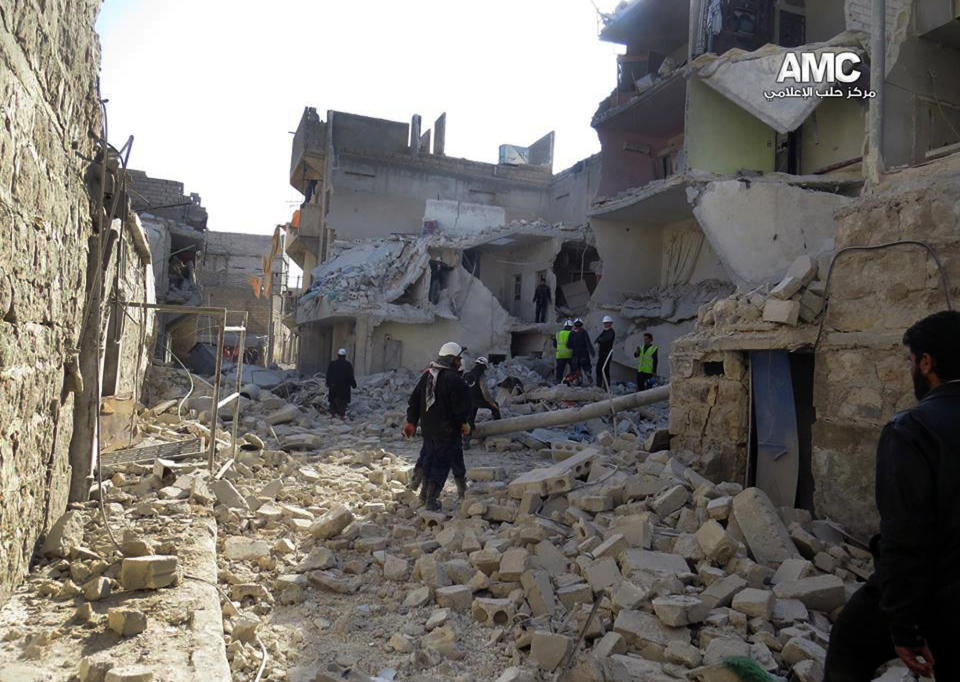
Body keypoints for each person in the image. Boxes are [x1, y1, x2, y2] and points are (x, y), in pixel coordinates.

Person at [823, 311, 960, 681]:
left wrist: (903, 626)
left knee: (849, 643)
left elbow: (906, 535)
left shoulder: (911, 429)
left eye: (911, 361)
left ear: (926, 362)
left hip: (936, 592)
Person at [402, 342, 470, 511]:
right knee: (441, 464)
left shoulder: (428, 376)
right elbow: (460, 407)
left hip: (428, 430)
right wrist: (464, 422)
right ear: (452, 360)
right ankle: (431, 500)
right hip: (447, 431)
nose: (460, 362)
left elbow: (414, 401)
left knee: (429, 461)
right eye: (458, 359)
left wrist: (411, 421)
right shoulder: (454, 380)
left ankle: (424, 495)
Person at [463, 357, 501, 451]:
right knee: (495, 407)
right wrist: (491, 403)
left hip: (467, 400)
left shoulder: (467, 374)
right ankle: (499, 429)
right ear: (484, 366)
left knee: (469, 421)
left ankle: (466, 442)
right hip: (478, 400)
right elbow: (485, 392)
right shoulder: (481, 375)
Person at [325, 348, 357, 419]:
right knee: (343, 401)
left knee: (333, 400)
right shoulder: (348, 364)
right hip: (344, 387)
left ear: (338, 355)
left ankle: (332, 414)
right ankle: (342, 415)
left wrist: (328, 383)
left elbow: (328, 374)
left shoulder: (332, 364)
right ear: (345, 356)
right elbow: (350, 376)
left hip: (334, 386)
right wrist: (353, 384)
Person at [568, 318, 594, 384]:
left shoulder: (571, 333)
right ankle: (587, 373)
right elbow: (588, 342)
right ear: (581, 325)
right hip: (584, 353)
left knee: (577, 368)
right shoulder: (584, 332)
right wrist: (592, 351)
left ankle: (579, 381)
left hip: (575, 354)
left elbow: (569, 345)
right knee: (586, 366)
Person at [595, 316, 616, 390]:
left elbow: (605, 339)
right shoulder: (604, 331)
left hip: (607, 354)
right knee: (599, 369)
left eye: (607, 323)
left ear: (610, 323)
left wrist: (599, 340)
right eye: (605, 323)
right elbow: (598, 339)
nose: (606, 324)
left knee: (605, 370)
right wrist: (598, 340)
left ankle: (606, 387)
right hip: (602, 354)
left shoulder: (611, 332)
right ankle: (599, 386)